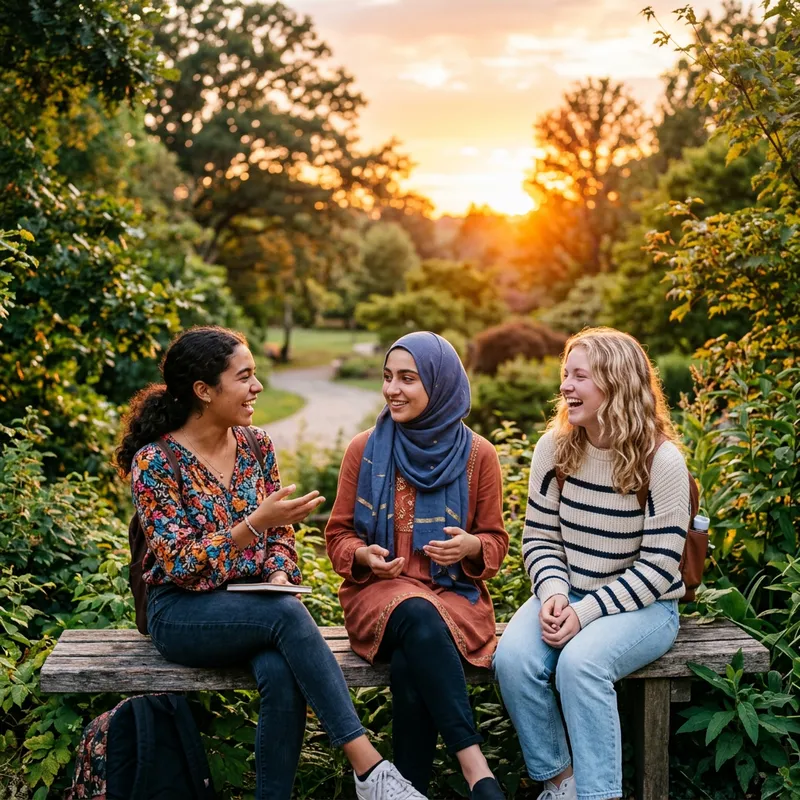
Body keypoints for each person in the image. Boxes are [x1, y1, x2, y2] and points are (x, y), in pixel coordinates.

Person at [116, 326, 427, 800]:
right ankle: (370, 769)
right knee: (283, 615)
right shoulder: (155, 462)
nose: (257, 387)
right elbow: (179, 565)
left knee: (281, 670)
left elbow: (281, 533)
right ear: (203, 390)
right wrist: (252, 527)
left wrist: (278, 571)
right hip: (179, 613)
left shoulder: (257, 444)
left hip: (253, 607)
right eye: (244, 377)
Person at [493, 327, 690, 800]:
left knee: (579, 664)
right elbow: (539, 537)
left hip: (645, 607)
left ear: (616, 384)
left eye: (579, 376)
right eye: (565, 374)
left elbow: (660, 568)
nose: (565, 386)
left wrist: (585, 613)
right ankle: (562, 783)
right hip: (570, 593)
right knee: (513, 660)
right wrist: (556, 593)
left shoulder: (661, 462)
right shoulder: (555, 449)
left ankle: (599, 795)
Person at [326, 331, 509, 800]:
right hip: (379, 598)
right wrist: (363, 556)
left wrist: (471, 546)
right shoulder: (364, 449)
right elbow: (338, 537)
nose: (392, 389)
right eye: (388, 377)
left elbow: (496, 543)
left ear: (440, 384)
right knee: (415, 610)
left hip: (453, 599)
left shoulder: (478, 456)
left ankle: (407, 789)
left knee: (413, 658)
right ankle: (476, 769)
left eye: (408, 378)